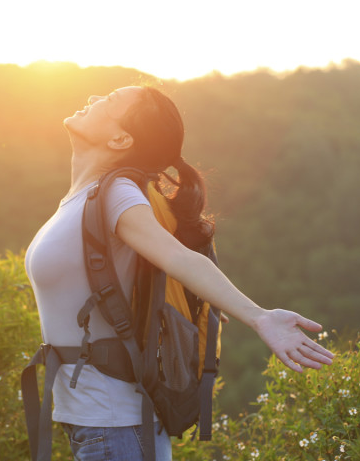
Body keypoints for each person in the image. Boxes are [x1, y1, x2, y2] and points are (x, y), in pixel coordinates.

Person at [24, 86, 334, 461]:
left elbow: (180, 258)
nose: (91, 98)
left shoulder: (117, 194)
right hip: (94, 423)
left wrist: (259, 317)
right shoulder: (83, 197)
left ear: (121, 138)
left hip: (117, 427)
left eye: (107, 102)